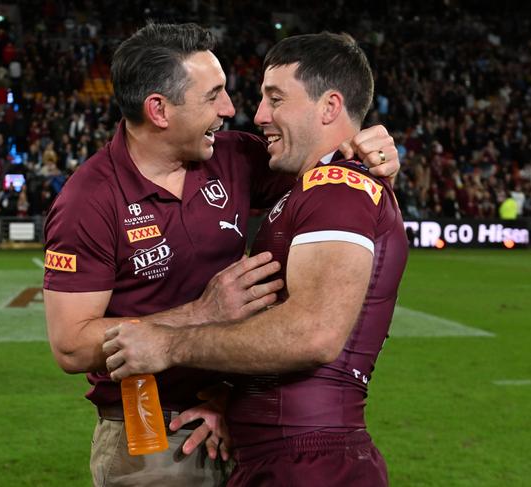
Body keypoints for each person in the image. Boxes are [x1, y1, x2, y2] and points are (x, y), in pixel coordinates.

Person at [43, 24, 400, 487]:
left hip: (237, 415)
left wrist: (370, 150)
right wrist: (199, 313)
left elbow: (325, 172)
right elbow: (71, 346)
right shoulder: (88, 200)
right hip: (157, 431)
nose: (233, 111)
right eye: (214, 96)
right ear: (160, 110)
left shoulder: (234, 159)